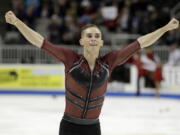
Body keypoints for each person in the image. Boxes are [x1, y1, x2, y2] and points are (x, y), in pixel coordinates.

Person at [5, 11, 179, 135]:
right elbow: (40, 42)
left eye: (97, 35)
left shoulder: (109, 62)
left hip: (93, 128)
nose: (93, 38)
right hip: (69, 127)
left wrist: (164, 29)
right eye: (89, 36)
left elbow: (140, 43)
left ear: (102, 42)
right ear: (81, 41)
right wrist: (18, 22)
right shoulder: (70, 59)